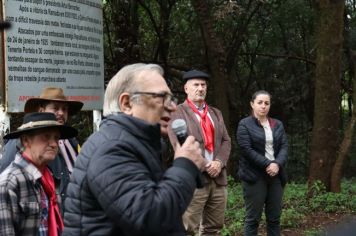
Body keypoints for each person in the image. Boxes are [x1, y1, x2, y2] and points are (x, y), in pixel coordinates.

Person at [63, 63, 206, 236]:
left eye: (171, 98)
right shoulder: (111, 148)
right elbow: (150, 219)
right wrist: (185, 165)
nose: (172, 107)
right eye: (161, 97)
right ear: (127, 104)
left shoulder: (137, 143)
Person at [167, 69, 231, 235]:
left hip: (218, 179)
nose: (200, 88)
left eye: (203, 85)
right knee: (188, 229)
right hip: (193, 179)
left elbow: (226, 141)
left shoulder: (216, 113)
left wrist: (219, 163)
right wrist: (206, 165)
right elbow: (179, 145)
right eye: (196, 85)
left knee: (214, 228)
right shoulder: (177, 112)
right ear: (186, 88)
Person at [0, 87, 83, 206]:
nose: (61, 113)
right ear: (41, 110)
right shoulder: (21, 142)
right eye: (55, 108)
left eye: (64, 109)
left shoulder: (71, 141)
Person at [0, 112, 77, 236]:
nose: (53, 144)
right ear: (26, 140)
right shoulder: (10, 182)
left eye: (56, 138)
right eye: (46, 137)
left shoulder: (50, 179)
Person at [236, 90, 288, 236]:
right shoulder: (244, 124)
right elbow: (246, 150)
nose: (263, 106)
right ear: (252, 104)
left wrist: (277, 164)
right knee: (253, 219)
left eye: (267, 103)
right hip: (254, 176)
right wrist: (268, 164)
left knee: (274, 219)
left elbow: (284, 147)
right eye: (260, 102)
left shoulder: (277, 124)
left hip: (276, 176)